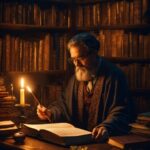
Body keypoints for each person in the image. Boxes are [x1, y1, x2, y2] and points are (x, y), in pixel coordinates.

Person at [37, 32, 132, 142]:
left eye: (81, 57)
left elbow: (121, 109)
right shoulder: (75, 79)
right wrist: (50, 113)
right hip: (78, 141)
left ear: (94, 53)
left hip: (105, 142)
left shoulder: (115, 76)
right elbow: (64, 105)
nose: (76, 64)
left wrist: (106, 126)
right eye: (73, 59)